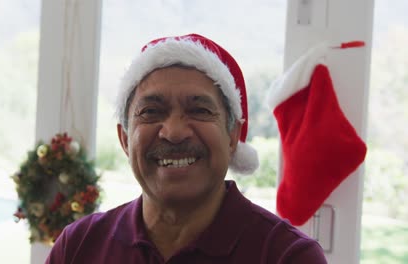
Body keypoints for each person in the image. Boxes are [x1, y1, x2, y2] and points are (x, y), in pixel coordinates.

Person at [46, 33, 327, 263]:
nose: (175, 132)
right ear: (124, 139)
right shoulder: (78, 248)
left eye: (200, 110)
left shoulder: (287, 256)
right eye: (152, 111)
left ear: (232, 137)